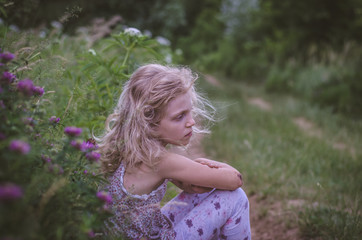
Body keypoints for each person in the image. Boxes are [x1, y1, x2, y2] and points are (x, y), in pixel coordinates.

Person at [98, 64, 251, 240]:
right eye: (180, 117)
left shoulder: (133, 150)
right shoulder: (160, 161)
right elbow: (234, 180)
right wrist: (208, 165)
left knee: (205, 194)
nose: (191, 122)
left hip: (144, 232)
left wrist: (194, 176)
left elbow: (195, 187)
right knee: (235, 198)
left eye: (189, 112)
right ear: (149, 124)